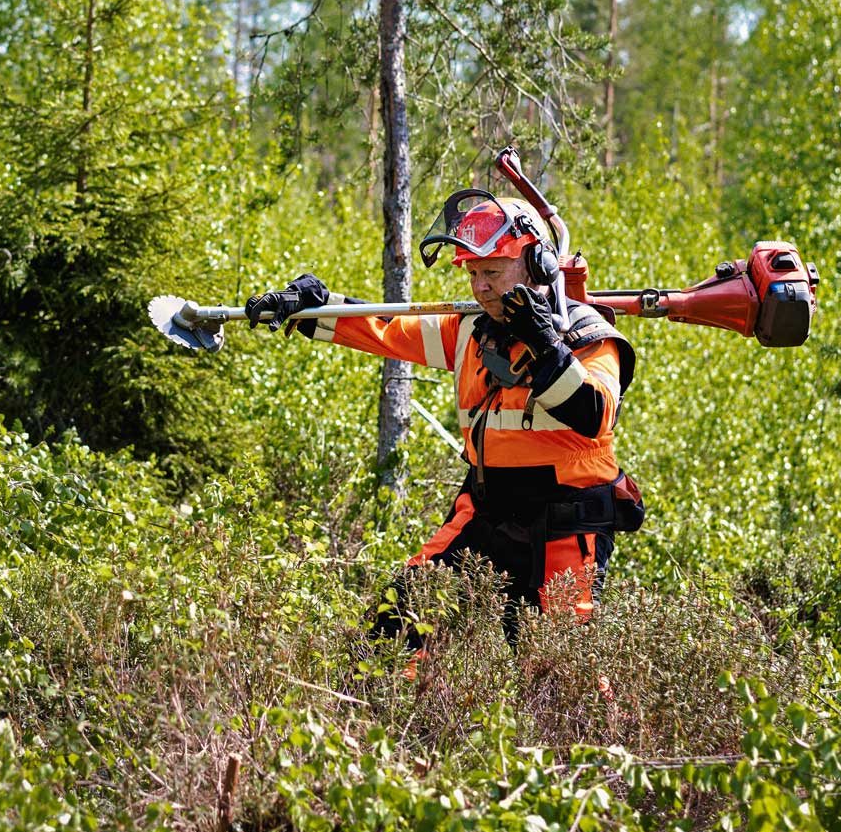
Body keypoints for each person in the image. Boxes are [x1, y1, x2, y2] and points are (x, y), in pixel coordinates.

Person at [246, 194, 642, 647]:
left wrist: (545, 345)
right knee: (392, 630)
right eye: (472, 273)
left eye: (492, 272)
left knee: (560, 669)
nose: (480, 288)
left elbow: (594, 414)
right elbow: (389, 329)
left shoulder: (587, 334)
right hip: (487, 512)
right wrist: (316, 307)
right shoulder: (471, 329)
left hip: (566, 526)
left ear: (538, 264)